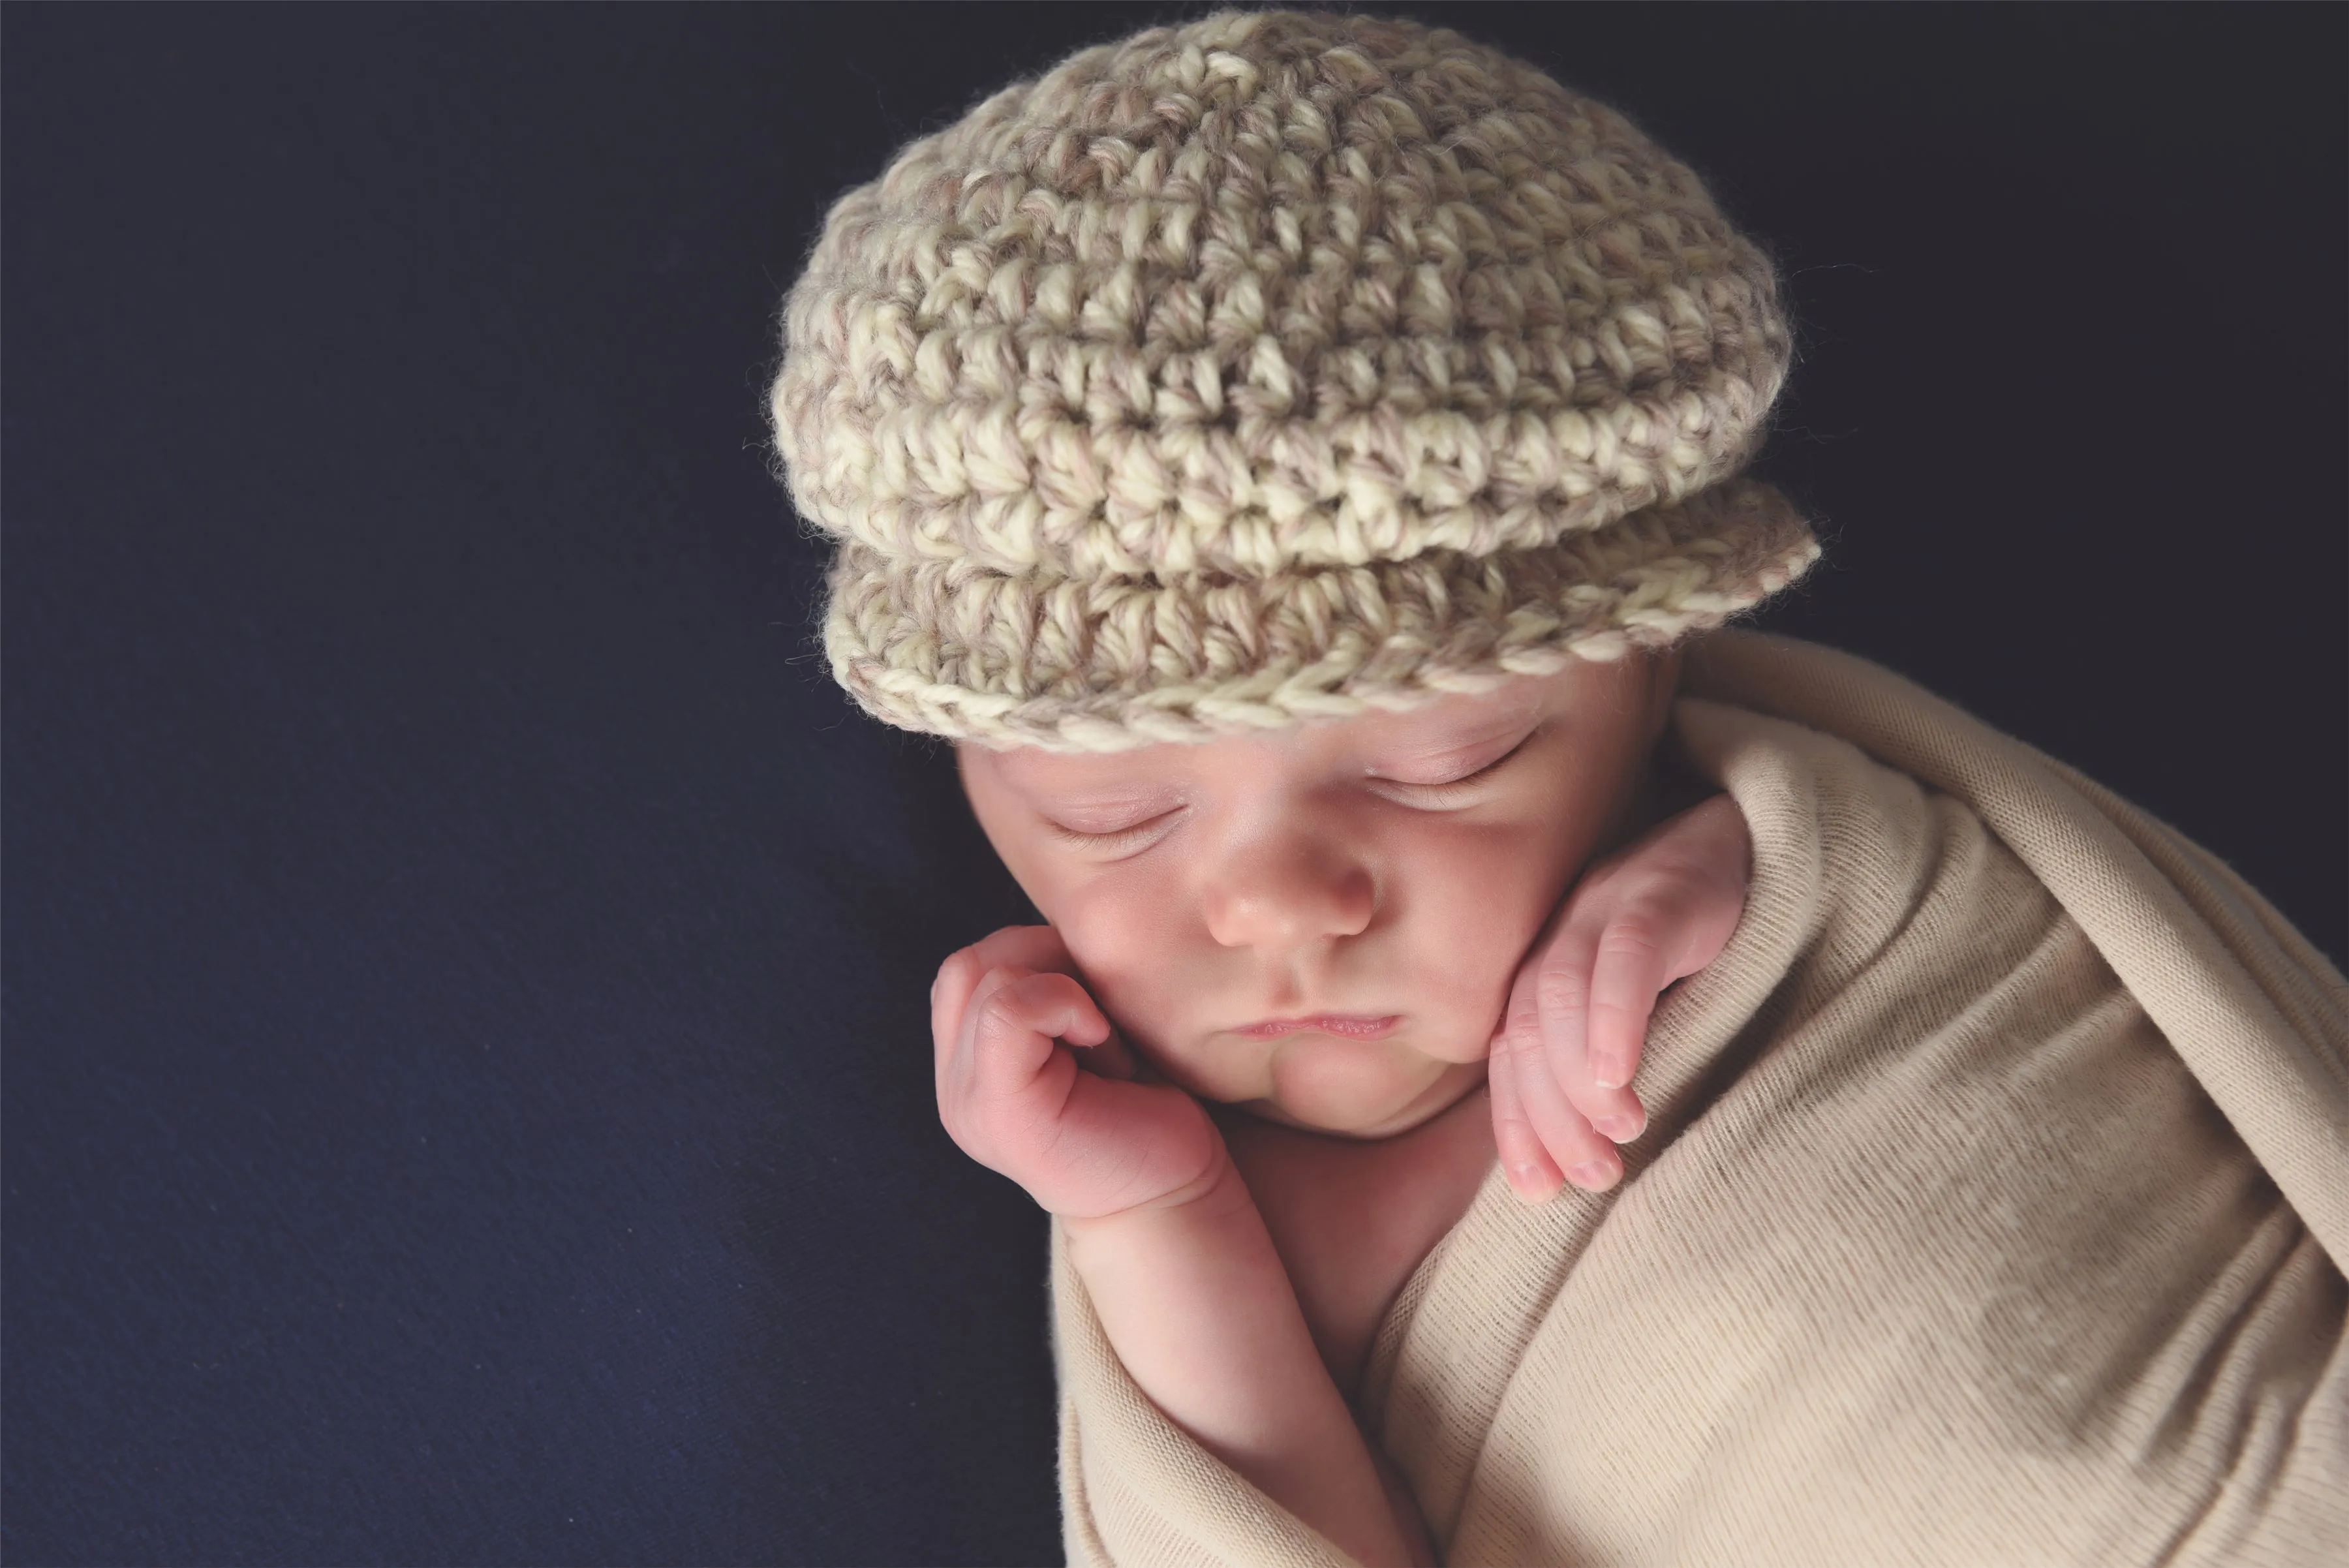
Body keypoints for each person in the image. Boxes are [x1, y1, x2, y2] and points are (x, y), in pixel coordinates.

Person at [769, 10, 2348, 1564]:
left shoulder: (1800, 836)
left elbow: (2027, 928)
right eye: (1108, 813)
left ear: (1659, 670)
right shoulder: (1223, 1230)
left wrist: (1760, 860)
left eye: (1447, 760)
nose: (1277, 901)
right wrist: (1153, 1220)